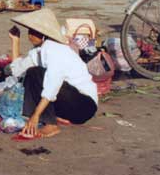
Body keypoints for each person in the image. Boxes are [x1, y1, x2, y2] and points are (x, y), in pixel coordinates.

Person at [7, 8, 98, 138]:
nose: (30, 35)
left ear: (44, 35)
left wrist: (36, 115)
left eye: (34, 32)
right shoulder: (38, 51)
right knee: (31, 73)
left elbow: (53, 85)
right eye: (30, 31)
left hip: (84, 105)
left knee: (37, 73)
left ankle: (50, 124)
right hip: (68, 105)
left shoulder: (54, 49)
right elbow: (17, 70)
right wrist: (15, 41)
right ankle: (55, 115)